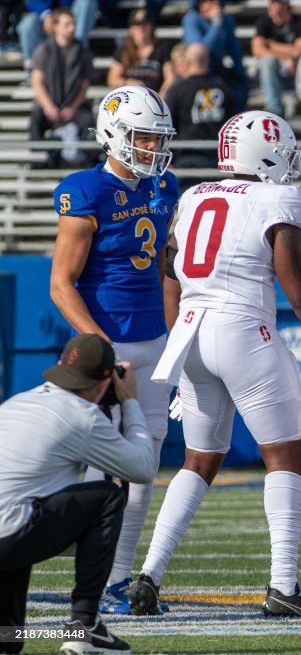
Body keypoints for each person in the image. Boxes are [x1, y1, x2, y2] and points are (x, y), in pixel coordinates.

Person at [128, 110, 301, 618]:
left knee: (199, 460)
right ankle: (283, 585)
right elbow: (299, 290)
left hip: (190, 330)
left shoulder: (193, 196)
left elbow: (170, 274)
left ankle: (149, 575)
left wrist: (175, 344)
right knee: (284, 455)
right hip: (242, 327)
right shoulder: (279, 198)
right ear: (268, 154)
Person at [50, 85, 178, 615]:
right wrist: (99, 346)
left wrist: (179, 334)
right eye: (143, 135)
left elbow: (168, 270)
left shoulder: (166, 184)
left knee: (144, 464)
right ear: (113, 135)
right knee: (103, 471)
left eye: (157, 137)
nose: (152, 146)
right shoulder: (86, 190)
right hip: (112, 342)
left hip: (155, 339)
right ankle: (90, 581)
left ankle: (119, 579)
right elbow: (62, 283)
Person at [0, 334, 158, 655]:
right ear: (104, 381)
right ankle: (83, 626)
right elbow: (142, 468)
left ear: (61, 365)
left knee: (7, 639)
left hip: (10, 529)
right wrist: (130, 402)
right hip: (11, 533)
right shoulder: (83, 417)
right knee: (107, 497)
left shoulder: (16, 402)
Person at [29, 7, 94, 168]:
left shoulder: (81, 51)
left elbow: (85, 84)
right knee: (36, 120)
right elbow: (37, 82)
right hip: (48, 105)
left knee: (89, 122)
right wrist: (49, 107)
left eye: (73, 24)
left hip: (74, 106)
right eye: (67, 24)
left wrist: (72, 107)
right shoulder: (43, 49)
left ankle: (86, 162)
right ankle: (41, 161)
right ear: (55, 26)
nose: (72, 28)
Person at [162, 44, 236, 160]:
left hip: (186, 157)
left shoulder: (178, 89)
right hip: (218, 158)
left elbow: (167, 125)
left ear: (187, 61)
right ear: (207, 60)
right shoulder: (223, 88)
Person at [182, 0, 248, 109]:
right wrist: (216, 25)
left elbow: (234, 50)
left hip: (216, 66)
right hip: (193, 69)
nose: (214, 5)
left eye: (216, 0)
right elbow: (200, 52)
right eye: (208, 1)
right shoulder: (191, 19)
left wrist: (241, 76)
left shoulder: (226, 20)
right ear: (199, 3)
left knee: (239, 91)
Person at [252, 0, 301, 118]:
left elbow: (298, 51)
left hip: (294, 75)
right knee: (267, 61)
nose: (271, 5)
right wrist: (286, 56)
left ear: (286, 4)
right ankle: (274, 111)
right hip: (272, 73)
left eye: (275, 2)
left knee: (269, 59)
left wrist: (271, 44)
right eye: (270, 1)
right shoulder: (263, 22)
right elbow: (257, 49)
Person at [107, 9, 174, 93]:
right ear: (131, 28)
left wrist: (159, 99)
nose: (141, 28)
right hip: (130, 99)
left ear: (151, 26)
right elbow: (112, 79)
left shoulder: (162, 49)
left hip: (154, 98)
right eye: (136, 24)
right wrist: (129, 83)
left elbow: (170, 79)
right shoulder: (124, 50)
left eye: (145, 24)